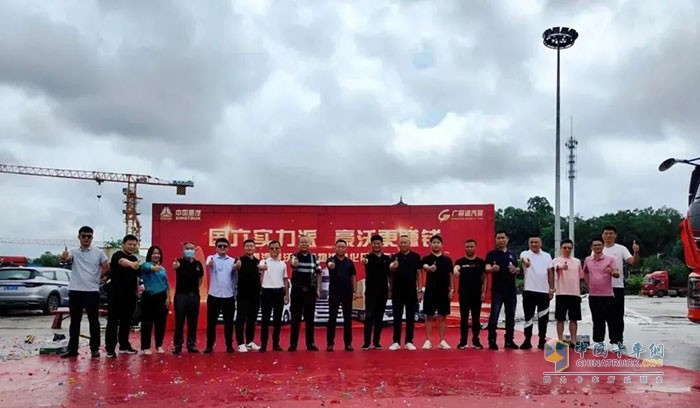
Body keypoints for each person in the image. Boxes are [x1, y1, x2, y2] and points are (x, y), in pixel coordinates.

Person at [59, 226, 109, 358]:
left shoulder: (99, 253)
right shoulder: (73, 252)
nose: (86, 238)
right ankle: (72, 349)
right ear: (79, 237)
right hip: (75, 290)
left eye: (89, 236)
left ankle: (95, 349)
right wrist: (64, 257)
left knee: (94, 321)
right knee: (75, 321)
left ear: (92, 238)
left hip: (92, 291)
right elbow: (66, 258)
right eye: (83, 236)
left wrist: (97, 278)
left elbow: (107, 267)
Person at [601, 226, 640, 352]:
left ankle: (617, 341)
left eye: (611, 233)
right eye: (606, 233)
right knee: (601, 317)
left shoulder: (621, 248)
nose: (608, 236)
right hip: (601, 289)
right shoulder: (598, 249)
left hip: (617, 287)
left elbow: (632, 262)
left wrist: (636, 252)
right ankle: (600, 342)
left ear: (615, 235)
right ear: (602, 235)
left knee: (617, 316)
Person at [105, 234, 141, 357]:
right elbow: (122, 262)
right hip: (116, 296)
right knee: (113, 322)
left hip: (130, 296)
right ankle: (110, 348)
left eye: (134, 245)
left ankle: (124, 345)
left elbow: (139, 274)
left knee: (126, 322)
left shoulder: (135, 258)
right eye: (130, 244)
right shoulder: (117, 255)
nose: (132, 247)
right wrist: (131, 264)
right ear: (123, 244)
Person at [485, 231, 520, 350]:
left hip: (511, 290)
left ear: (507, 239)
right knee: (494, 315)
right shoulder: (491, 254)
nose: (500, 240)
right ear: (495, 240)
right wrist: (492, 268)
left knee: (510, 316)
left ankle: (509, 340)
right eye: (498, 238)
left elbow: (517, 269)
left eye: (502, 238)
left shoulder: (512, 254)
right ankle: (492, 340)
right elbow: (487, 268)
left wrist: (516, 270)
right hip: (497, 290)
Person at [519, 235, 554, 350]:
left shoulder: (547, 256)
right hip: (529, 290)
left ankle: (542, 340)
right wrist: (526, 263)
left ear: (541, 243)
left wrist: (551, 288)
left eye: (536, 242)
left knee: (543, 318)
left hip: (543, 291)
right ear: (528, 244)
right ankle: (527, 340)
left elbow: (550, 272)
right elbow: (524, 260)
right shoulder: (525, 253)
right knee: (528, 317)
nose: (534, 244)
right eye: (532, 242)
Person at [583, 238, 619, 349]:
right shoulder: (588, 260)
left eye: (599, 245)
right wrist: (588, 284)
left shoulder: (610, 259)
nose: (597, 247)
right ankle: (598, 342)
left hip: (608, 295)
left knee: (611, 320)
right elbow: (585, 272)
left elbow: (617, 273)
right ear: (591, 247)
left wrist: (612, 272)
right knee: (597, 319)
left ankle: (614, 342)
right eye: (595, 245)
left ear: (603, 246)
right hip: (594, 295)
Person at [288, 235, 322, 351]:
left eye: (306, 242)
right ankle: (293, 344)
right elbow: (293, 264)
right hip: (297, 291)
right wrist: (294, 263)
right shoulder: (294, 256)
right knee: (295, 319)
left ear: (309, 244)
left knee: (310, 319)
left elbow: (318, 273)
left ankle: (310, 343)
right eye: (302, 242)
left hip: (310, 291)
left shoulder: (314, 257)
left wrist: (318, 289)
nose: (304, 244)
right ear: (298, 244)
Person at [388, 235, 423, 351]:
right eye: (401, 243)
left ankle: (409, 341)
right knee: (397, 317)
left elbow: (419, 274)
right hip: (397, 291)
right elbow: (390, 275)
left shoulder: (416, 257)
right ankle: (396, 341)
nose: (403, 244)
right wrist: (391, 289)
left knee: (410, 317)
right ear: (398, 244)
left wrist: (420, 290)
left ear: (409, 244)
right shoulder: (394, 257)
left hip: (411, 290)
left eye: (405, 242)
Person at [203, 238, 236, 354]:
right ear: (216, 248)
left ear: (228, 248)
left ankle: (229, 345)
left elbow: (235, 277)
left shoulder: (232, 261)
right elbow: (208, 263)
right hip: (214, 295)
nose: (222, 248)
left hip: (228, 295)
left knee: (229, 323)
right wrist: (211, 264)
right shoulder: (211, 258)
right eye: (220, 246)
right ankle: (209, 345)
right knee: (211, 323)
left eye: (224, 246)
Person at [421, 235, 454, 350]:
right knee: (429, 315)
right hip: (430, 290)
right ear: (430, 244)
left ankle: (442, 340)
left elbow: (451, 275)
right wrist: (430, 268)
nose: (436, 244)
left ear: (442, 244)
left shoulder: (447, 260)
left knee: (442, 316)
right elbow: (425, 267)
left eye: (438, 242)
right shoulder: (426, 258)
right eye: (433, 242)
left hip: (444, 291)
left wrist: (452, 290)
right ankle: (428, 340)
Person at [453, 239, 486, 350]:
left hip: (477, 294)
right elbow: (456, 268)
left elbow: (484, 278)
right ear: (464, 248)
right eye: (467, 247)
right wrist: (456, 270)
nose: (469, 248)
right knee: (464, 318)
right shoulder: (460, 261)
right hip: (464, 294)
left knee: (476, 318)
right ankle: (463, 342)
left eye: (471, 246)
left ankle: (476, 341)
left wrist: (484, 292)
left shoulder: (480, 262)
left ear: (475, 247)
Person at [172, 242, 204, 354]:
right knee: (179, 321)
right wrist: (175, 266)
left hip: (194, 296)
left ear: (194, 250)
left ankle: (191, 344)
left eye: (191, 248)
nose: (189, 250)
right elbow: (174, 266)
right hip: (181, 296)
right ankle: (177, 345)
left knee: (193, 322)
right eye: (187, 248)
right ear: (183, 250)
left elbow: (200, 279)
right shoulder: (179, 262)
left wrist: (194, 289)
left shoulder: (198, 264)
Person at [551, 239, 584, 346]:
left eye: (569, 248)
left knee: (574, 319)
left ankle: (573, 340)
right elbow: (558, 266)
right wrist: (562, 267)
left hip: (575, 294)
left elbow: (581, 277)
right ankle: (560, 340)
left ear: (572, 248)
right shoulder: (556, 260)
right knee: (560, 319)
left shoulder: (577, 261)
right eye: (565, 247)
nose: (567, 249)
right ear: (561, 248)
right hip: (561, 293)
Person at [326, 239, 357, 352]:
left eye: (343, 247)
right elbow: (330, 266)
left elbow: (353, 276)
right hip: (334, 292)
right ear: (335, 248)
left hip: (347, 292)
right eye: (339, 247)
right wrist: (331, 265)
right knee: (332, 318)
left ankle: (348, 343)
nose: (341, 249)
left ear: (346, 248)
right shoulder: (331, 260)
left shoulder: (349, 262)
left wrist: (354, 291)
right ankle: (330, 343)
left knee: (347, 318)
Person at [361, 235, 391, 350]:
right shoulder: (367, 257)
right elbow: (364, 262)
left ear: (382, 244)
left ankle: (376, 342)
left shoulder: (387, 259)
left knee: (379, 317)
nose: (376, 245)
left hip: (383, 291)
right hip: (370, 292)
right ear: (371, 244)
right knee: (369, 316)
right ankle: (366, 342)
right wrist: (364, 262)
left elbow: (390, 275)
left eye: (378, 243)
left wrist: (390, 289)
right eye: (374, 243)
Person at [259, 240, 289, 353]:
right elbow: (260, 268)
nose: (274, 250)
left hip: (279, 292)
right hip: (267, 292)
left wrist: (286, 294)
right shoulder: (264, 261)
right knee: (265, 320)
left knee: (277, 320)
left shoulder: (283, 264)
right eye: (272, 248)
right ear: (269, 250)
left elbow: (285, 280)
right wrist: (261, 269)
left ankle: (276, 343)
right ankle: (263, 344)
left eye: (277, 248)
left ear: (280, 249)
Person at [139, 245, 170, 354]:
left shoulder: (163, 269)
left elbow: (166, 284)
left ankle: (159, 345)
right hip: (149, 297)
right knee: (147, 323)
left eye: (158, 253)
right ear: (150, 255)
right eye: (154, 253)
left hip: (162, 297)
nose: (156, 255)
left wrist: (168, 297)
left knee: (161, 322)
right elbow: (150, 268)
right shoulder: (145, 265)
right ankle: (145, 347)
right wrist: (154, 268)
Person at [235, 239, 262, 352]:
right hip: (243, 295)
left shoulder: (258, 262)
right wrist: (236, 266)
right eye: (247, 246)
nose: (249, 248)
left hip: (255, 295)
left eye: (251, 246)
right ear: (244, 248)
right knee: (241, 319)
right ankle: (240, 343)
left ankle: (250, 342)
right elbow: (234, 269)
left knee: (252, 319)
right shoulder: (239, 260)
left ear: (254, 248)